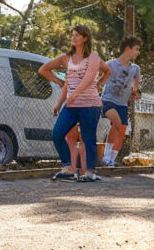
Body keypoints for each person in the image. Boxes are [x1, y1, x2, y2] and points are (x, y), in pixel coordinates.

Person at [38, 25, 110, 182]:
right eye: (72, 35)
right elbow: (43, 69)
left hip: (90, 104)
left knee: (88, 137)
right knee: (57, 133)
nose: (73, 37)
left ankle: (90, 172)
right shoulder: (66, 58)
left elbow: (96, 75)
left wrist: (98, 84)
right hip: (71, 104)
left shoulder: (93, 57)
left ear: (85, 38)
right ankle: (69, 168)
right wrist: (60, 84)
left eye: (77, 35)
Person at [99, 36, 143, 167]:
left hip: (122, 104)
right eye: (136, 49)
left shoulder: (135, 68)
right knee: (117, 124)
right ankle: (106, 158)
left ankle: (112, 159)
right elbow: (99, 80)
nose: (138, 52)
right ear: (128, 49)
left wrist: (136, 93)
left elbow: (135, 87)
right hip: (108, 101)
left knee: (122, 129)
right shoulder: (110, 64)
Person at [53, 85, 88, 178]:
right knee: (78, 140)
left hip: (77, 106)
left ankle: (74, 169)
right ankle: (82, 170)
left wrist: (58, 104)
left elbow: (65, 88)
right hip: (81, 105)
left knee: (76, 141)